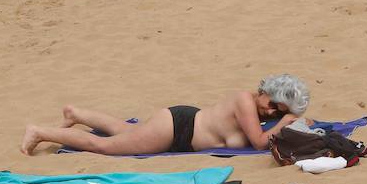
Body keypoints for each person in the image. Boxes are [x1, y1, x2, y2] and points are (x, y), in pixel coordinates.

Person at [19, 74, 310, 156]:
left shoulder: (257, 110)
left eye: (278, 112)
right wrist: (284, 122)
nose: (271, 112)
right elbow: (260, 143)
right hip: (177, 128)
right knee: (104, 147)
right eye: (273, 105)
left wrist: (293, 120)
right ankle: (40, 132)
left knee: (124, 131)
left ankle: (76, 113)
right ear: (265, 91)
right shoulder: (246, 101)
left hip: (182, 127)